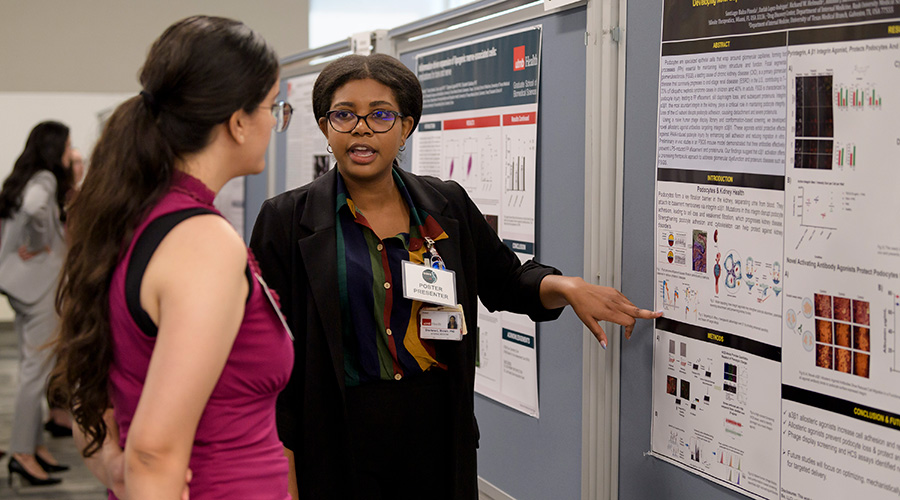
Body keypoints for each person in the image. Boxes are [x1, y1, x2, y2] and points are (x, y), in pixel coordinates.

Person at [249, 53, 661, 500]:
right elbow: (267, 357)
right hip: (335, 437)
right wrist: (279, 469)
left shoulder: (445, 206)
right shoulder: (287, 219)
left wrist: (565, 287)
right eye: (345, 115)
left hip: (436, 435)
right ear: (327, 128)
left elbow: (506, 281)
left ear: (406, 127)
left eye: (381, 115)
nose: (361, 128)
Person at [50, 16, 294, 499]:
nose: (274, 121)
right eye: (272, 107)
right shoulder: (201, 241)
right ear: (238, 122)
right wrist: (135, 472)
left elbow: (92, 393)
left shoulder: (130, 215)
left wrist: (117, 472)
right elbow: (152, 451)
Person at [0, 120, 74, 486]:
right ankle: (22, 454)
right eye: (67, 146)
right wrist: (42, 239)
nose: (70, 153)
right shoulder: (44, 180)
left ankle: (34, 446)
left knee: (35, 367)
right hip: (40, 286)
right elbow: (33, 209)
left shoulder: (25, 176)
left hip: (23, 287)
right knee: (35, 373)